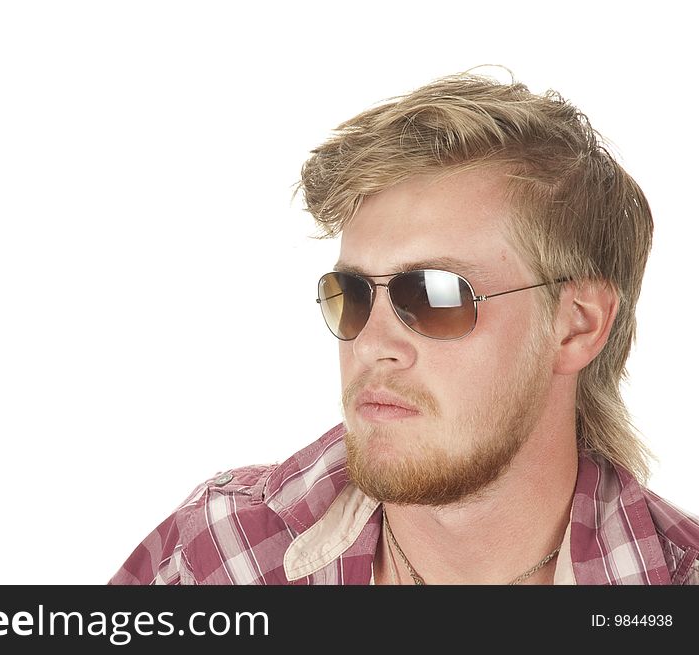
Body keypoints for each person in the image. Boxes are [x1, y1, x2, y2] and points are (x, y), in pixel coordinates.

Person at [108, 70, 699, 585]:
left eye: (436, 295)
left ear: (576, 328)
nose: (373, 343)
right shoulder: (222, 560)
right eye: (353, 295)